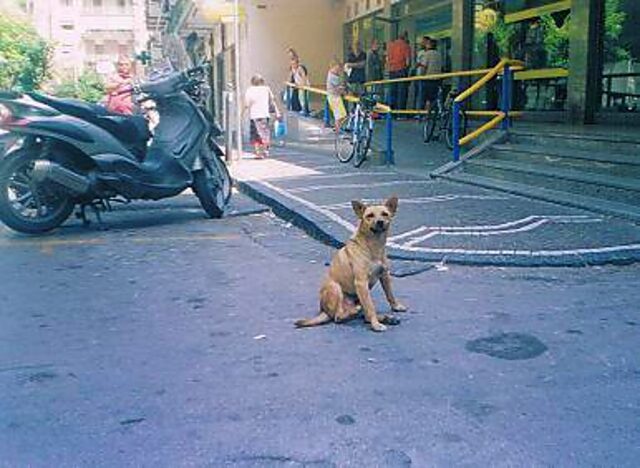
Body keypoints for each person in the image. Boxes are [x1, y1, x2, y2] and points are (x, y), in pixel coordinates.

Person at [245, 74, 281, 159]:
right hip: (265, 114)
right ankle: (265, 150)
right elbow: (272, 101)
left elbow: (247, 104)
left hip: (254, 115)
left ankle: (258, 153)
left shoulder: (250, 90)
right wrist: (277, 111)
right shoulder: (266, 89)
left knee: (255, 135)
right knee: (265, 133)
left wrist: (241, 113)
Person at [386, 31, 411, 111]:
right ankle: (400, 113)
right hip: (401, 70)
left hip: (391, 71)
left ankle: (391, 111)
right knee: (402, 93)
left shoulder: (391, 45)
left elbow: (387, 59)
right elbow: (408, 62)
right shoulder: (405, 46)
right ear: (405, 37)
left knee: (392, 92)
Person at [418, 37, 442, 113]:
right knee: (433, 98)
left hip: (427, 79)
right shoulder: (439, 54)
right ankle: (434, 113)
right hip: (436, 79)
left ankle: (421, 114)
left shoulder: (427, 54)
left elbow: (424, 66)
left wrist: (421, 75)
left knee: (423, 98)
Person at [326, 59, 347, 133]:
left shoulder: (332, 74)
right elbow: (338, 87)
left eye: (339, 69)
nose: (338, 71)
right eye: (337, 69)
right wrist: (343, 90)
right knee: (339, 115)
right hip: (334, 97)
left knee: (340, 115)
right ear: (332, 67)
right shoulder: (333, 76)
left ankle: (337, 127)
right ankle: (337, 129)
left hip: (334, 97)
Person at [287, 49, 310, 114]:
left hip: (304, 85)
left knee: (304, 98)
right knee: (300, 98)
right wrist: (290, 82)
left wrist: (303, 85)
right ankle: (303, 109)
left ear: (297, 63)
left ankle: (305, 110)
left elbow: (304, 77)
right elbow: (291, 76)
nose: (293, 66)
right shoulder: (293, 69)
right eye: (292, 64)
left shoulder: (300, 68)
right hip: (299, 85)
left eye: (294, 64)